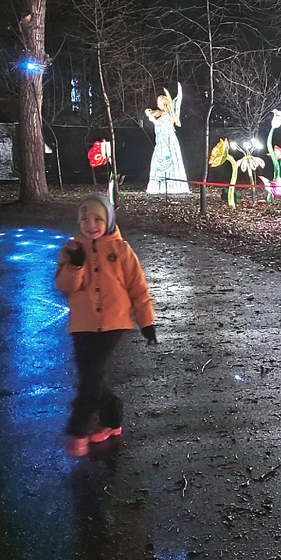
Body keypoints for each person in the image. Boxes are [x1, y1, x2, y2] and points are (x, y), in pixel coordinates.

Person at [55, 193, 158, 457]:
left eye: (97, 219)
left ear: (109, 220)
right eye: (85, 219)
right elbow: (65, 286)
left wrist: (146, 322)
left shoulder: (121, 250)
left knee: (91, 375)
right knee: (91, 375)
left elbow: (138, 288)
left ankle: (77, 429)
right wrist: (75, 266)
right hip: (83, 323)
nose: (91, 225)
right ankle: (112, 419)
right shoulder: (71, 249)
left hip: (114, 322)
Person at [146, 83, 190, 194]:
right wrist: (150, 114)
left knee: (170, 159)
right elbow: (153, 114)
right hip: (161, 140)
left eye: (160, 102)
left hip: (168, 140)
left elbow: (160, 124)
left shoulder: (168, 115)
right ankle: (159, 185)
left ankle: (172, 184)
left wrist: (151, 117)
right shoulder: (160, 113)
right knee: (158, 158)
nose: (158, 104)